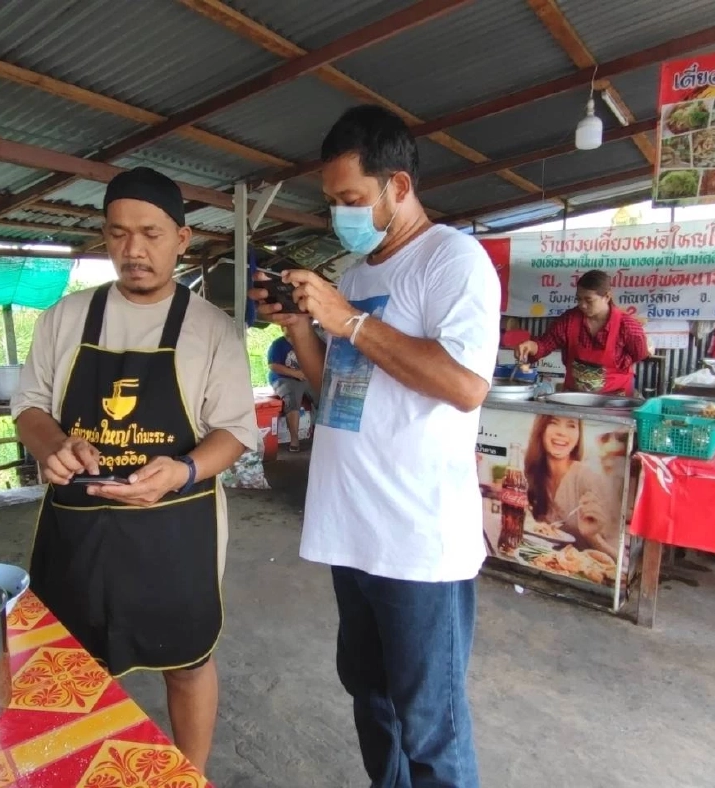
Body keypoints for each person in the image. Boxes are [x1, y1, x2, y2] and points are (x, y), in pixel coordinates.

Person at [251, 104, 499, 787]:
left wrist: (349, 321)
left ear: (398, 185)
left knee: (430, 722)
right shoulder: (356, 277)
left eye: (352, 199)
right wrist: (304, 326)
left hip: (417, 540)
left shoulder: (454, 259)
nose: (341, 216)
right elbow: (342, 395)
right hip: (354, 531)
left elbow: (465, 385)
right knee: (371, 698)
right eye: (332, 203)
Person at [11, 167, 255, 772]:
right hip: (78, 525)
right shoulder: (65, 318)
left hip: (176, 526)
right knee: (70, 663)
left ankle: (190, 776)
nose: (133, 250)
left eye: (149, 233)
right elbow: (29, 408)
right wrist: (53, 446)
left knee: (188, 660)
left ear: (182, 237)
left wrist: (184, 470)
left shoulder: (213, 330)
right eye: (118, 234)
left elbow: (236, 432)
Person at [516, 270, 650, 395]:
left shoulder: (627, 326)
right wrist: (530, 347)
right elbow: (545, 344)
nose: (583, 305)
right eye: (579, 299)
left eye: (589, 300)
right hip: (574, 399)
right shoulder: (568, 321)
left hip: (616, 401)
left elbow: (640, 354)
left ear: (607, 296)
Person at [523, 415, 617, 556]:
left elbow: (619, 563)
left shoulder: (589, 479)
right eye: (554, 422)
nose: (562, 432)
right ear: (540, 429)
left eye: (571, 425)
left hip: (585, 572)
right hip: (539, 562)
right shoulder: (533, 475)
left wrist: (592, 536)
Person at [267, 334, 314, 452]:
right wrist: (295, 374)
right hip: (283, 378)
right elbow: (273, 366)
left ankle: (317, 433)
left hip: (304, 378)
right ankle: (294, 440)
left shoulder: (306, 342)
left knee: (322, 397)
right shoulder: (278, 344)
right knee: (292, 398)